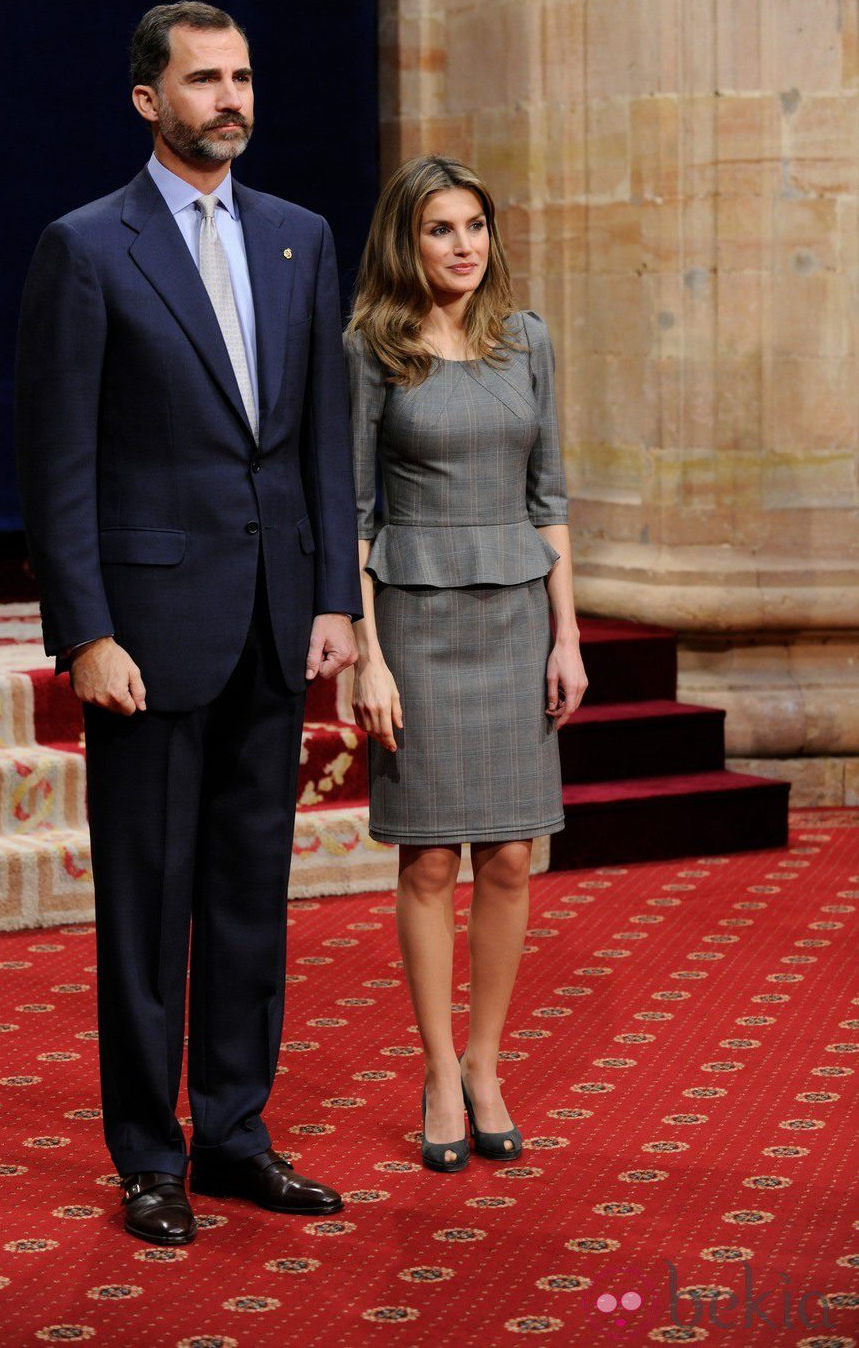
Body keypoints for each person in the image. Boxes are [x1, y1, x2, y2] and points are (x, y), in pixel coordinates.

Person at [15, 1, 362, 1244]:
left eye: (243, 77)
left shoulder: (299, 238)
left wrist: (335, 597)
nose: (232, 98)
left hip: (277, 620)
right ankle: (146, 1155)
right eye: (204, 79)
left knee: (245, 901)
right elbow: (57, 461)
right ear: (147, 101)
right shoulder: (86, 247)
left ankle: (232, 1134)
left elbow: (320, 432)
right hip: (148, 634)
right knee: (148, 908)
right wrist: (84, 632)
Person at [346, 156, 588, 1172]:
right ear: (407, 240)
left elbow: (549, 498)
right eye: (440, 229)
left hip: (513, 618)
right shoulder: (372, 347)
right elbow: (353, 517)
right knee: (431, 857)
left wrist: (566, 633)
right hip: (413, 620)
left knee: (508, 855)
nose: (462, 246)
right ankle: (438, 1069)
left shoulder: (522, 339)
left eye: (475, 226)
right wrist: (367, 656)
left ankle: (487, 1062)